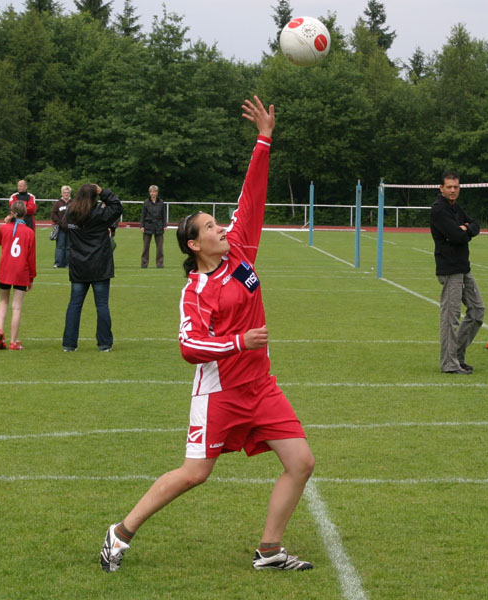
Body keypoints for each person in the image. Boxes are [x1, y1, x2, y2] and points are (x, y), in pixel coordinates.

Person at [99, 96, 315, 573]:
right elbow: (189, 348)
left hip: (260, 386)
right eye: (211, 227)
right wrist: (239, 342)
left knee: (301, 462)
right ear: (194, 244)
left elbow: (251, 196)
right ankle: (120, 532)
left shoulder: (241, 251)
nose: (221, 228)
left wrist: (264, 140)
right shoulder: (195, 291)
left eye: (219, 223)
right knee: (195, 473)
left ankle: (269, 550)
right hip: (219, 393)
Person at [429, 170, 485, 374]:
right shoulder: (438, 210)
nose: (453, 190)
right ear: (441, 188)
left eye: (456, 187)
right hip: (450, 269)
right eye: (449, 187)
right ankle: (449, 364)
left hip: (463, 267)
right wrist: (464, 230)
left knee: (477, 311)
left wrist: (466, 228)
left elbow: (476, 225)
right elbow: (455, 236)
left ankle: (458, 355)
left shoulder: (455, 207)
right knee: (450, 317)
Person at [62, 183, 122, 352]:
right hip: (99, 265)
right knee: (102, 305)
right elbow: (117, 207)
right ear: (94, 196)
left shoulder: (71, 213)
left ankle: (69, 343)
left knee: (74, 304)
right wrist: (104, 192)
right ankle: (104, 343)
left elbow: (63, 226)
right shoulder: (99, 214)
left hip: (79, 265)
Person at [0, 201, 36, 351]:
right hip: (21, 271)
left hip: (5, 269)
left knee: (3, 301)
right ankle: (13, 342)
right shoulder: (29, 232)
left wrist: (6, 222)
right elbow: (31, 257)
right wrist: (31, 277)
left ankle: (0, 329)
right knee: (17, 307)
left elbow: (1, 242)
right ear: (25, 214)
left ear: (11, 212)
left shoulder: (3, 228)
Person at [140, 184, 166, 268]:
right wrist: (142, 226)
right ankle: (144, 264)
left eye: (154, 192)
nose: (152, 193)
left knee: (160, 248)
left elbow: (164, 215)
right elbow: (143, 215)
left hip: (159, 227)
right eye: (151, 192)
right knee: (145, 247)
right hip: (148, 226)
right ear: (149, 192)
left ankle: (160, 263)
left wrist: (165, 225)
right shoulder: (146, 202)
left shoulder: (161, 203)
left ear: (157, 193)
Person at [51, 185, 72, 268]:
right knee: (60, 246)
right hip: (60, 228)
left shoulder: (73, 203)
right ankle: (58, 263)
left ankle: (68, 263)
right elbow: (53, 214)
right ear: (62, 193)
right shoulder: (58, 203)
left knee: (69, 247)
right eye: (64, 192)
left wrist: (72, 223)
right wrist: (59, 223)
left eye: (68, 192)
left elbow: (76, 214)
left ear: (70, 193)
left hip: (70, 228)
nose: (66, 194)